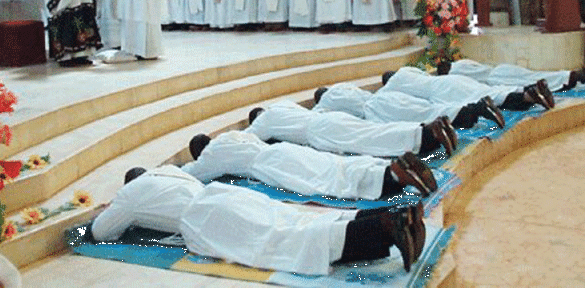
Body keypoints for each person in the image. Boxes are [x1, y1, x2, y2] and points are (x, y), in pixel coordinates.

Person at [92, 165, 424, 274]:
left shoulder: (131, 194)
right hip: (224, 195)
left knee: (282, 242)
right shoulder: (168, 170)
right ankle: (391, 216)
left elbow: (101, 231)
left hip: (204, 218)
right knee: (295, 221)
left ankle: (384, 227)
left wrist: (116, 208)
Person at [186, 130, 438, 198]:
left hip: (271, 165)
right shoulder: (233, 135)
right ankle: (386, 168)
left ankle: (393, 174)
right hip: (283, 150)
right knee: (333, 165)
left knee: (327, 180)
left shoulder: (211, 155)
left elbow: (193, 173)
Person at [245, 100, 457, 156]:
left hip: (321, 132)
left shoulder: (264, 120)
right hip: (329, 119)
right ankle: (427, 129)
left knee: (371, 140)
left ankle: (427, 133)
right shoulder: (282, 105)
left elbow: (246, 138)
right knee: (373, 130)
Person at [314, 82, 505, 129]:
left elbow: (319, 114)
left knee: (427, 117)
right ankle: (476, 107)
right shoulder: (343, 87)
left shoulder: (327, 101)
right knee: (429, 110)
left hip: (379, 110)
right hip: (387, 98)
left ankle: (475, 111)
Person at [380, 67, 555, 112]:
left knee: (488, 99)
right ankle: (529, 89)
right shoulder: (406, 71)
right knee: (487, 90)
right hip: (449, 81)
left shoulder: (391, 87)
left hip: (442, 92)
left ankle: (528, 96)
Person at [448, 59, 585, 92]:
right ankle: (571, 77)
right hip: (501, 72)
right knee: (535, 77)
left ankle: (572, 77)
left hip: (498, 77)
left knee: (534, 80)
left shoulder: (455, 71)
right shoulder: (461, 62)